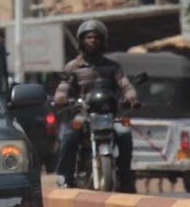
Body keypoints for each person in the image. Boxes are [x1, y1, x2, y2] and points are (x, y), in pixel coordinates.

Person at [53, 19, 141, 192]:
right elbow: (63, 87)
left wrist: (132, 98)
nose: (93, 40)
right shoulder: (73, 67)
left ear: (103, 41)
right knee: (69, 136)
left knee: (125, 133)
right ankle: (65, 177)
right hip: (83, 114)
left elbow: (125, 85)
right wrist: (61, 98)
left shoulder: (113, 66)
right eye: (89, 37)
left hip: (110, 115)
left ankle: (125, 178)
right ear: (81, 41)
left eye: (97, 37)